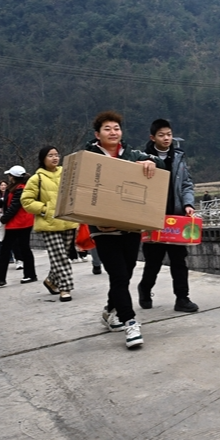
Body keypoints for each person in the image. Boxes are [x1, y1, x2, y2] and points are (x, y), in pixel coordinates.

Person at [86, 110, 164, 349]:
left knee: (126, 272)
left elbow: (161, 163)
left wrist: (150, 162)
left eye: (116, 128)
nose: (113, 132)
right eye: (107, 129)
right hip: (103, 228)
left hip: (130, 226)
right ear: (97, 134)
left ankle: (110, 309)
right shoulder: (89, 157)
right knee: (119, 275)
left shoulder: (131, 154)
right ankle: (130, 322)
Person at [137, 118, 199, 313]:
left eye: (169, 134)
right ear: (152, 137)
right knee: (153, 261)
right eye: (162, 135)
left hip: (176, 218)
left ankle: (182, 298)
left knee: (179, 260)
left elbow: (187, 183)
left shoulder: (179, 157)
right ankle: (145, 289)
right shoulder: (141, 158)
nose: (166, 138)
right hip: (153, 220)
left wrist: (188, 204)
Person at [21, 146, 79, 302]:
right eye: (50, 155)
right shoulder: (36, 178)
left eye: (56, 155)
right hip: (49, 223)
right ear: (43, 159)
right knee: (60, 256)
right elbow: (26, 201)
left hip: (68, 221)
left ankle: (51, 281)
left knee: (62, 256)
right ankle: (65, 288)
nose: (54, 158)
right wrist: (44, 209)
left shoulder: (67, 173)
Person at [0, 166, 37, 287]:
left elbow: (15, 206)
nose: (9, 177)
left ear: (13, 177)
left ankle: (1, 277)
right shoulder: (16, 187)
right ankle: (28, 274)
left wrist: (3, 219)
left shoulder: (20, 188)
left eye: (10, 175)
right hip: (19, 222)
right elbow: (7, 200)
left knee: (15, 249)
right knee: (20, 249)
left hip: (19, 223)